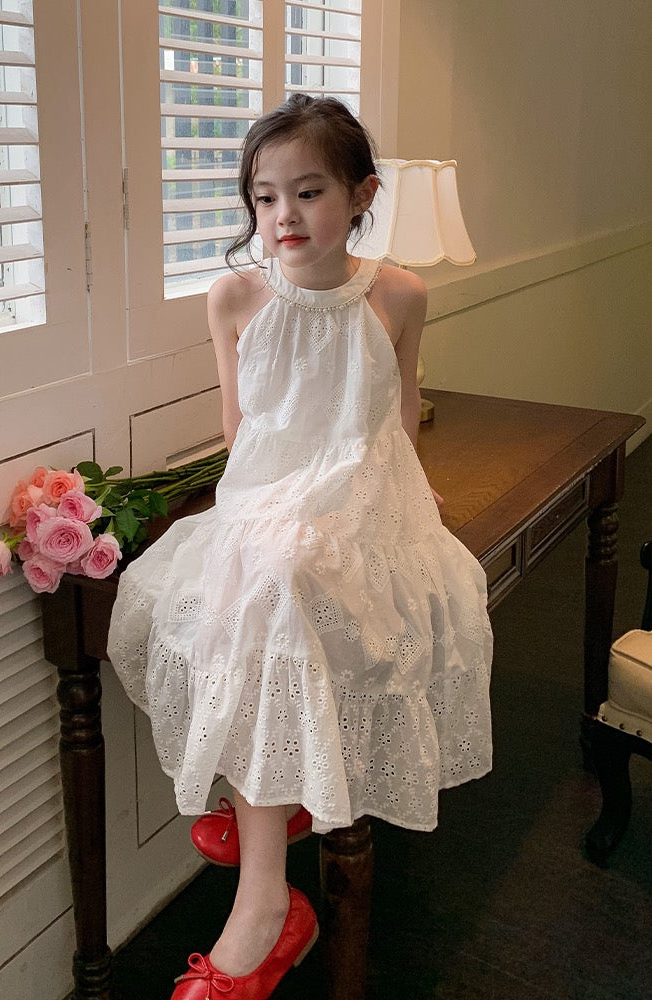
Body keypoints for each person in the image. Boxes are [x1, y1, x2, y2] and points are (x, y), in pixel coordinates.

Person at [107, 93, 492, 1000]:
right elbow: (240, 430)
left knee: (287, 585)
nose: (284, 216)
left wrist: (409, 492)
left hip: (364, 482)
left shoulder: (400, 293)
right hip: (272, 485)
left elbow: (397, 412)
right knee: (249, 584)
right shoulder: (234, 296)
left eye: (308, 192)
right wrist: (266, 514)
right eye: (265, 197)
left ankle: (263, 897)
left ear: (360, 195)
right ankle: (271, 849)